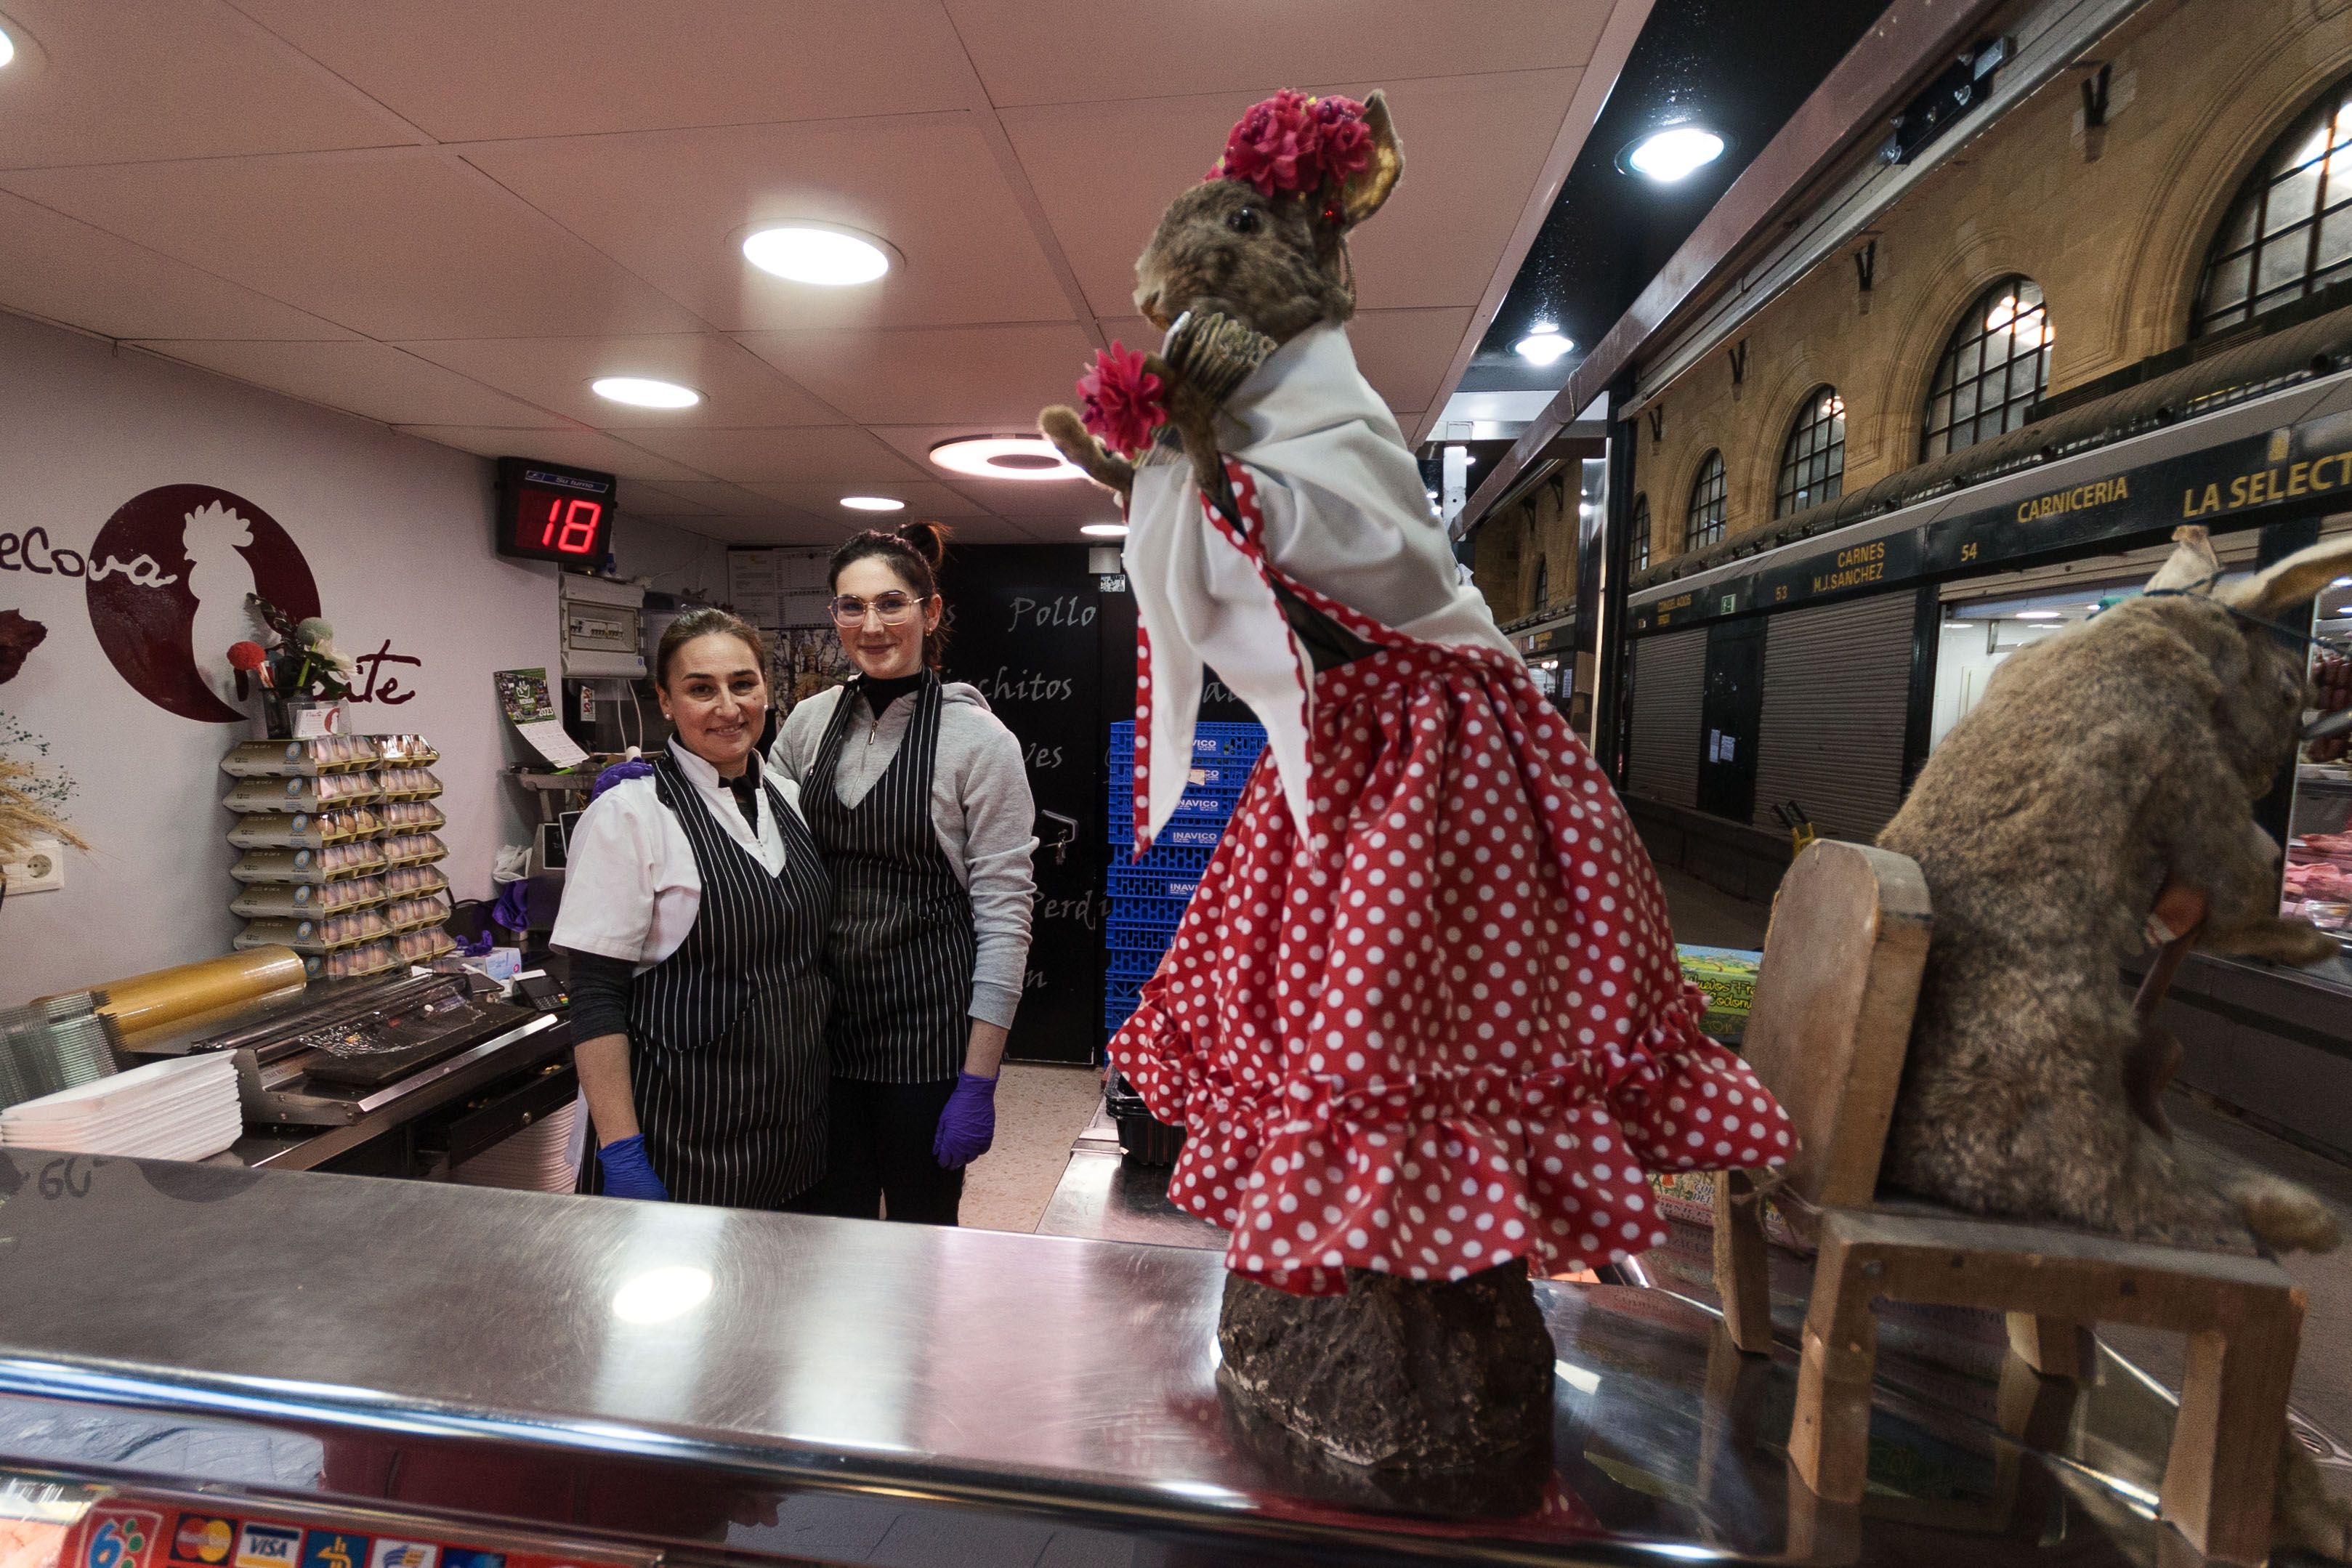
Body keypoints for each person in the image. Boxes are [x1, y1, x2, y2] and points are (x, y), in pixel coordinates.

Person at [772, 522, 1037, 1224]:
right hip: (819, 1033)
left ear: (931, 611)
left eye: (891, 603)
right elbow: (750, 831)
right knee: (829, 1228)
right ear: (834, 617)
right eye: (851, 606)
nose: (872, 624)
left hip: (927, 1037)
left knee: (922, 1239)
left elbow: (1006, 916)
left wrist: (978, 1079)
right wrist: (663, 787)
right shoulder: (806, 723)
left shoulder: (980, 742)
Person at [551, 608, 831, 1209]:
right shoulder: (630, 815)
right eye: (701, 689)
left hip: (794, 1136)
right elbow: (597, 998)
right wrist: (621, 1151)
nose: (727, 707)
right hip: (678, 1145)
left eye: (742, 684)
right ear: (666, 702)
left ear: (766, 690)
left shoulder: (793, 801)